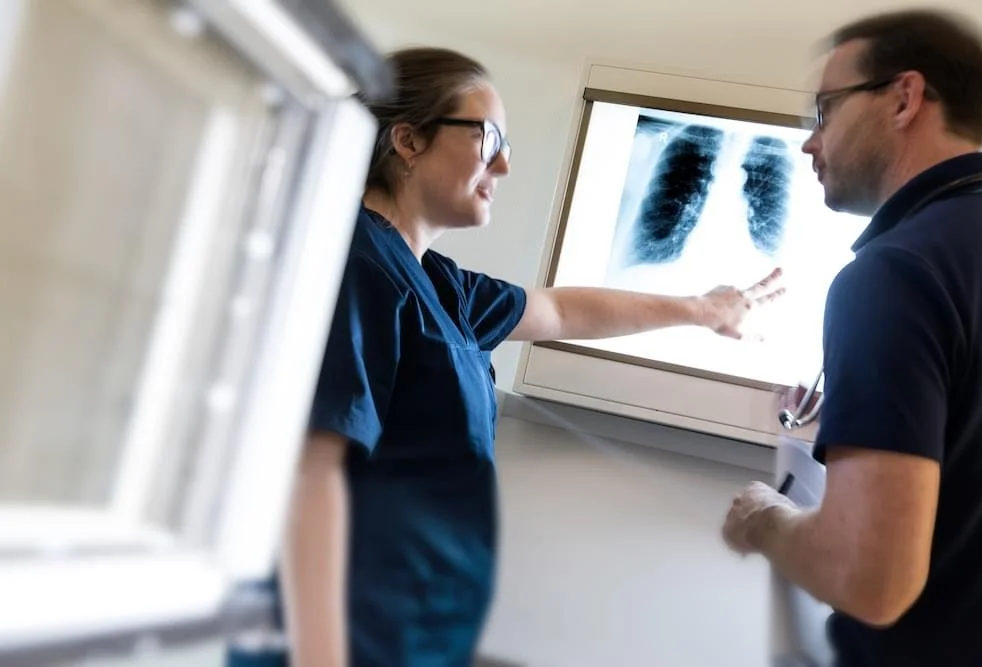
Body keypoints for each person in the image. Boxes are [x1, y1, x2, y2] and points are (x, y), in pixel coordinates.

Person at [224, 47, 784, 667]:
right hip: (341, 633)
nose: (506, 163)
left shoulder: (438, 284)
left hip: (408, 631)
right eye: (488, 136)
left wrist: (705, 309)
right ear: (407, 141)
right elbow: (312, 472)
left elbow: (561, 312)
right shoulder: (357, 264)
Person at [721, 9, 982, 667]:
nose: (808, 144)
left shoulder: (895, 273)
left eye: (824, 111)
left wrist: (763, 519)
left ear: (904, 97)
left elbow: (870, 581)